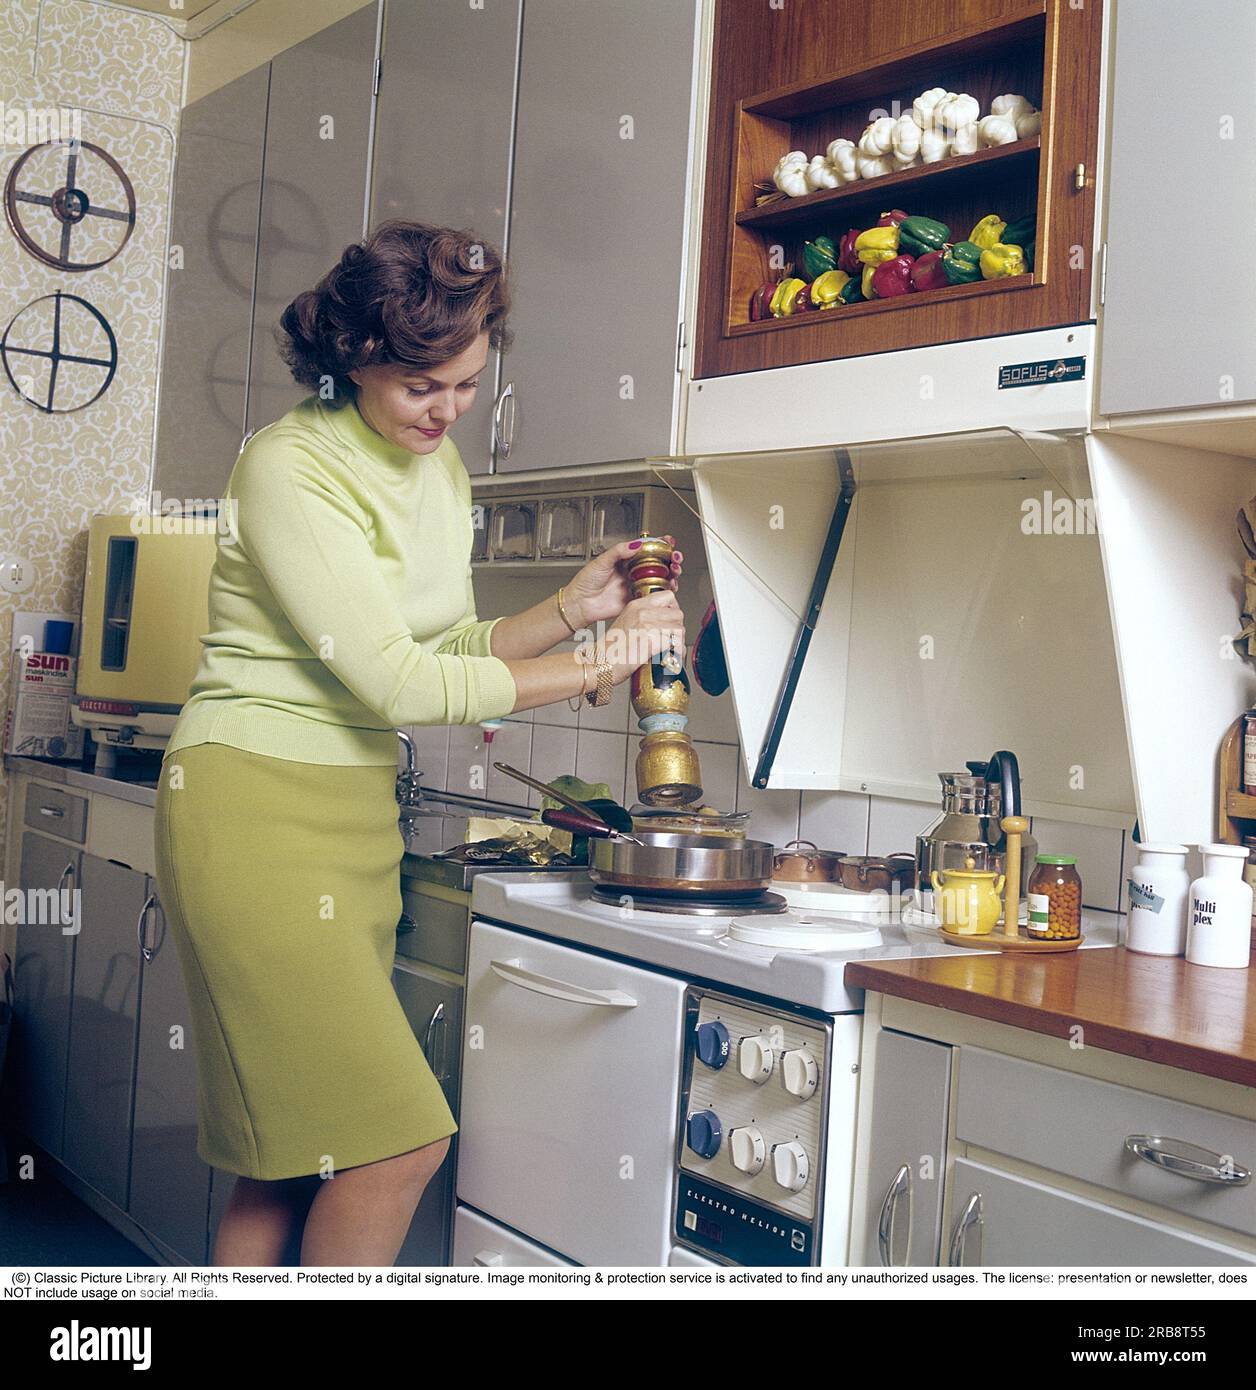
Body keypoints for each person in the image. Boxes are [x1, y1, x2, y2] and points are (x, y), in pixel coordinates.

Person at [153, 221, 685, 1266]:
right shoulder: (291, 466)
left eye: (468, 384)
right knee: (394, 1145)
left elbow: (436, 644)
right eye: (420, 388)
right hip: (252, 809)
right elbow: (396, 682)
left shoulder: (434, 468)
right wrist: (600, 664)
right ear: (355, 360)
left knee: (295, 1154)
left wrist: (571, 612)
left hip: (351, 813)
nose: (446, 411)